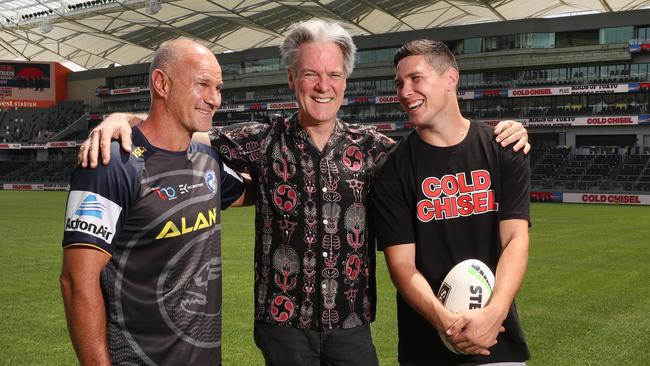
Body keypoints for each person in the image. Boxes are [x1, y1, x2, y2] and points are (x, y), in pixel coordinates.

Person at [78, 21, 530, 366]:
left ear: (346, 82)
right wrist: (121, 119)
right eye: (311, 74)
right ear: (292, 79)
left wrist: (504, 130)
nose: (323, 85)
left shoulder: (377, 151)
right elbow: (176, 132)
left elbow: (442, 146)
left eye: (333, 74)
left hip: (352, 329)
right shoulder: (258, 140)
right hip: (282, 329)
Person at [60, 39, 246, 366]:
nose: (215, 99)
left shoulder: (208, 161)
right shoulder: (110, 164)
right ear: (161, 83)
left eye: (218, 87)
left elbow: (259, 192)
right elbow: (77, 282)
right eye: (202, 84)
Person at [370, 39, 530, 365]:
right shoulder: (390, 170)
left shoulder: (504, 148)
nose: (404, 91)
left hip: (497, 341)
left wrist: (495, 313)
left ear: (450, 79)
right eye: (399, 83)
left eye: (416, 78)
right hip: (426, 349)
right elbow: (402, 265)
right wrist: (447, 323)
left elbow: (515, 238)